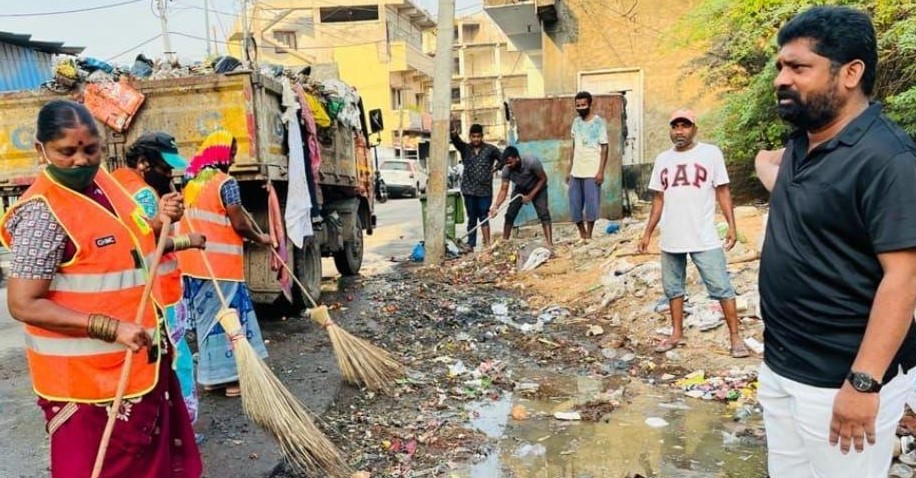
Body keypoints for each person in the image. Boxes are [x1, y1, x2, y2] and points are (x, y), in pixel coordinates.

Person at [0, 100, 202, 477]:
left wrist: (163, 219)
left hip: (139, 367)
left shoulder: (106, 185)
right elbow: (24, 303)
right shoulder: (42, 212)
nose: (81, 160)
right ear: (41, 150)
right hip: (87, 386)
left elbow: (135, 241)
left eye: (90, 150)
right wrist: (111, 328)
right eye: (67, 152)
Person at [755, 6, 916, 477]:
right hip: (782, 368)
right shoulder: (802, 143)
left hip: (840, 383)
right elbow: (786, 177)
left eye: (799, 67)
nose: (782, 79)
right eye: (780, 66)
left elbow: (905, 278)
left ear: (850, 73)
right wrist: (765, 167)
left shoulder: (888, 160)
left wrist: (863, 384)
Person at [638, 108, 748, 359]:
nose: (680, 131)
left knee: (721, 286)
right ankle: (676, 333)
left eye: (685, 126)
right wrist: (647, 233)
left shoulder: (710, 153)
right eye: (675, 126)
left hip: (703, 235)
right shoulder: (663, 159)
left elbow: (723, 191)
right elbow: (658, 199)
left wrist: (732, 225)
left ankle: (735, 337)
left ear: (694, 129)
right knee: (673, 288)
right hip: (671, 236)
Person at [111, 132, 203, 424]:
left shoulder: (116, 184)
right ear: (143, 163)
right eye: (165, 168)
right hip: (160, 294)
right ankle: (182, 424)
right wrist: (186, 239)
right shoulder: (144, 194)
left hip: (135, 293)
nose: (169, 175)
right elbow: (149, 242)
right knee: (177, 359)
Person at [176, 130, 272, 398]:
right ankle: (230, 379)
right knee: (228, 320)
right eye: (231, 154)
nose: (233, 160)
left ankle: (210, 378)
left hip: (192, 264)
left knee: (207, 322)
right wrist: (261, 237)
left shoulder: (190, 181)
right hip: (221, 266)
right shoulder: (226, 183)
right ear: (220, 154)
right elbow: (239, 224)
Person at [565, 91, 609, 242]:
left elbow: (605, 148)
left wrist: (601, 171)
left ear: (590, 104)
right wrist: (569, 169)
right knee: (574, 205)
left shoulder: (598, 123)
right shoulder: (576, 122)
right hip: (576, 171)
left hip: (592, 171)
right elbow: (573, 146)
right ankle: (582, 233)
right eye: (578, 105)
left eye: (583, 105)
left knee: (591, 205)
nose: (580, 108)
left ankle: (589, 235)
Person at [490, 146, 553, 247]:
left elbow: (543, 179)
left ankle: (550, 244)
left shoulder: (531, 161)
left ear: (517, 158)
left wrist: (530, 196)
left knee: (544, 214)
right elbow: (503, 190)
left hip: (537, 187)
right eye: (506, 163)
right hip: (521, 189)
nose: (508, 165)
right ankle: (504, 243)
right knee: (510, 214)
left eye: (510, 162)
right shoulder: (506, 170)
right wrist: (495, 206)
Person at [451, 122, 501, 248]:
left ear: (482, 136)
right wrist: (452, 130)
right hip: (469, 190)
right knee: (472, 217)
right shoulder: (465, 149)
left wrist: (496, 168)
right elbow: (456, 140)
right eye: (473, 136)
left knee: (484, 216)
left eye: (478, 136)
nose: (476, 139)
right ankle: (471, 245)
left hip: (485, 190)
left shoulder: (491, 149)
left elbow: (503, 158)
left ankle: (487, 244)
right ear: (470, 137)